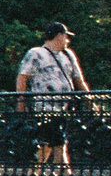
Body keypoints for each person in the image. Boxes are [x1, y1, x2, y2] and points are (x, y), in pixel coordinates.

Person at [15, 21, 90, 167]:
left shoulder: (68, 55)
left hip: (65, 106)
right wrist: (21, 101)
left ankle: (35, 175)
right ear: (59, 36)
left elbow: (78, 79)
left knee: (49, 143)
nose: (67, 40)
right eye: (65, 36)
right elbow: (22, 77)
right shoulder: (36, 53)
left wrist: (88, 98)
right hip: (44, 106)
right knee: (58, 140)